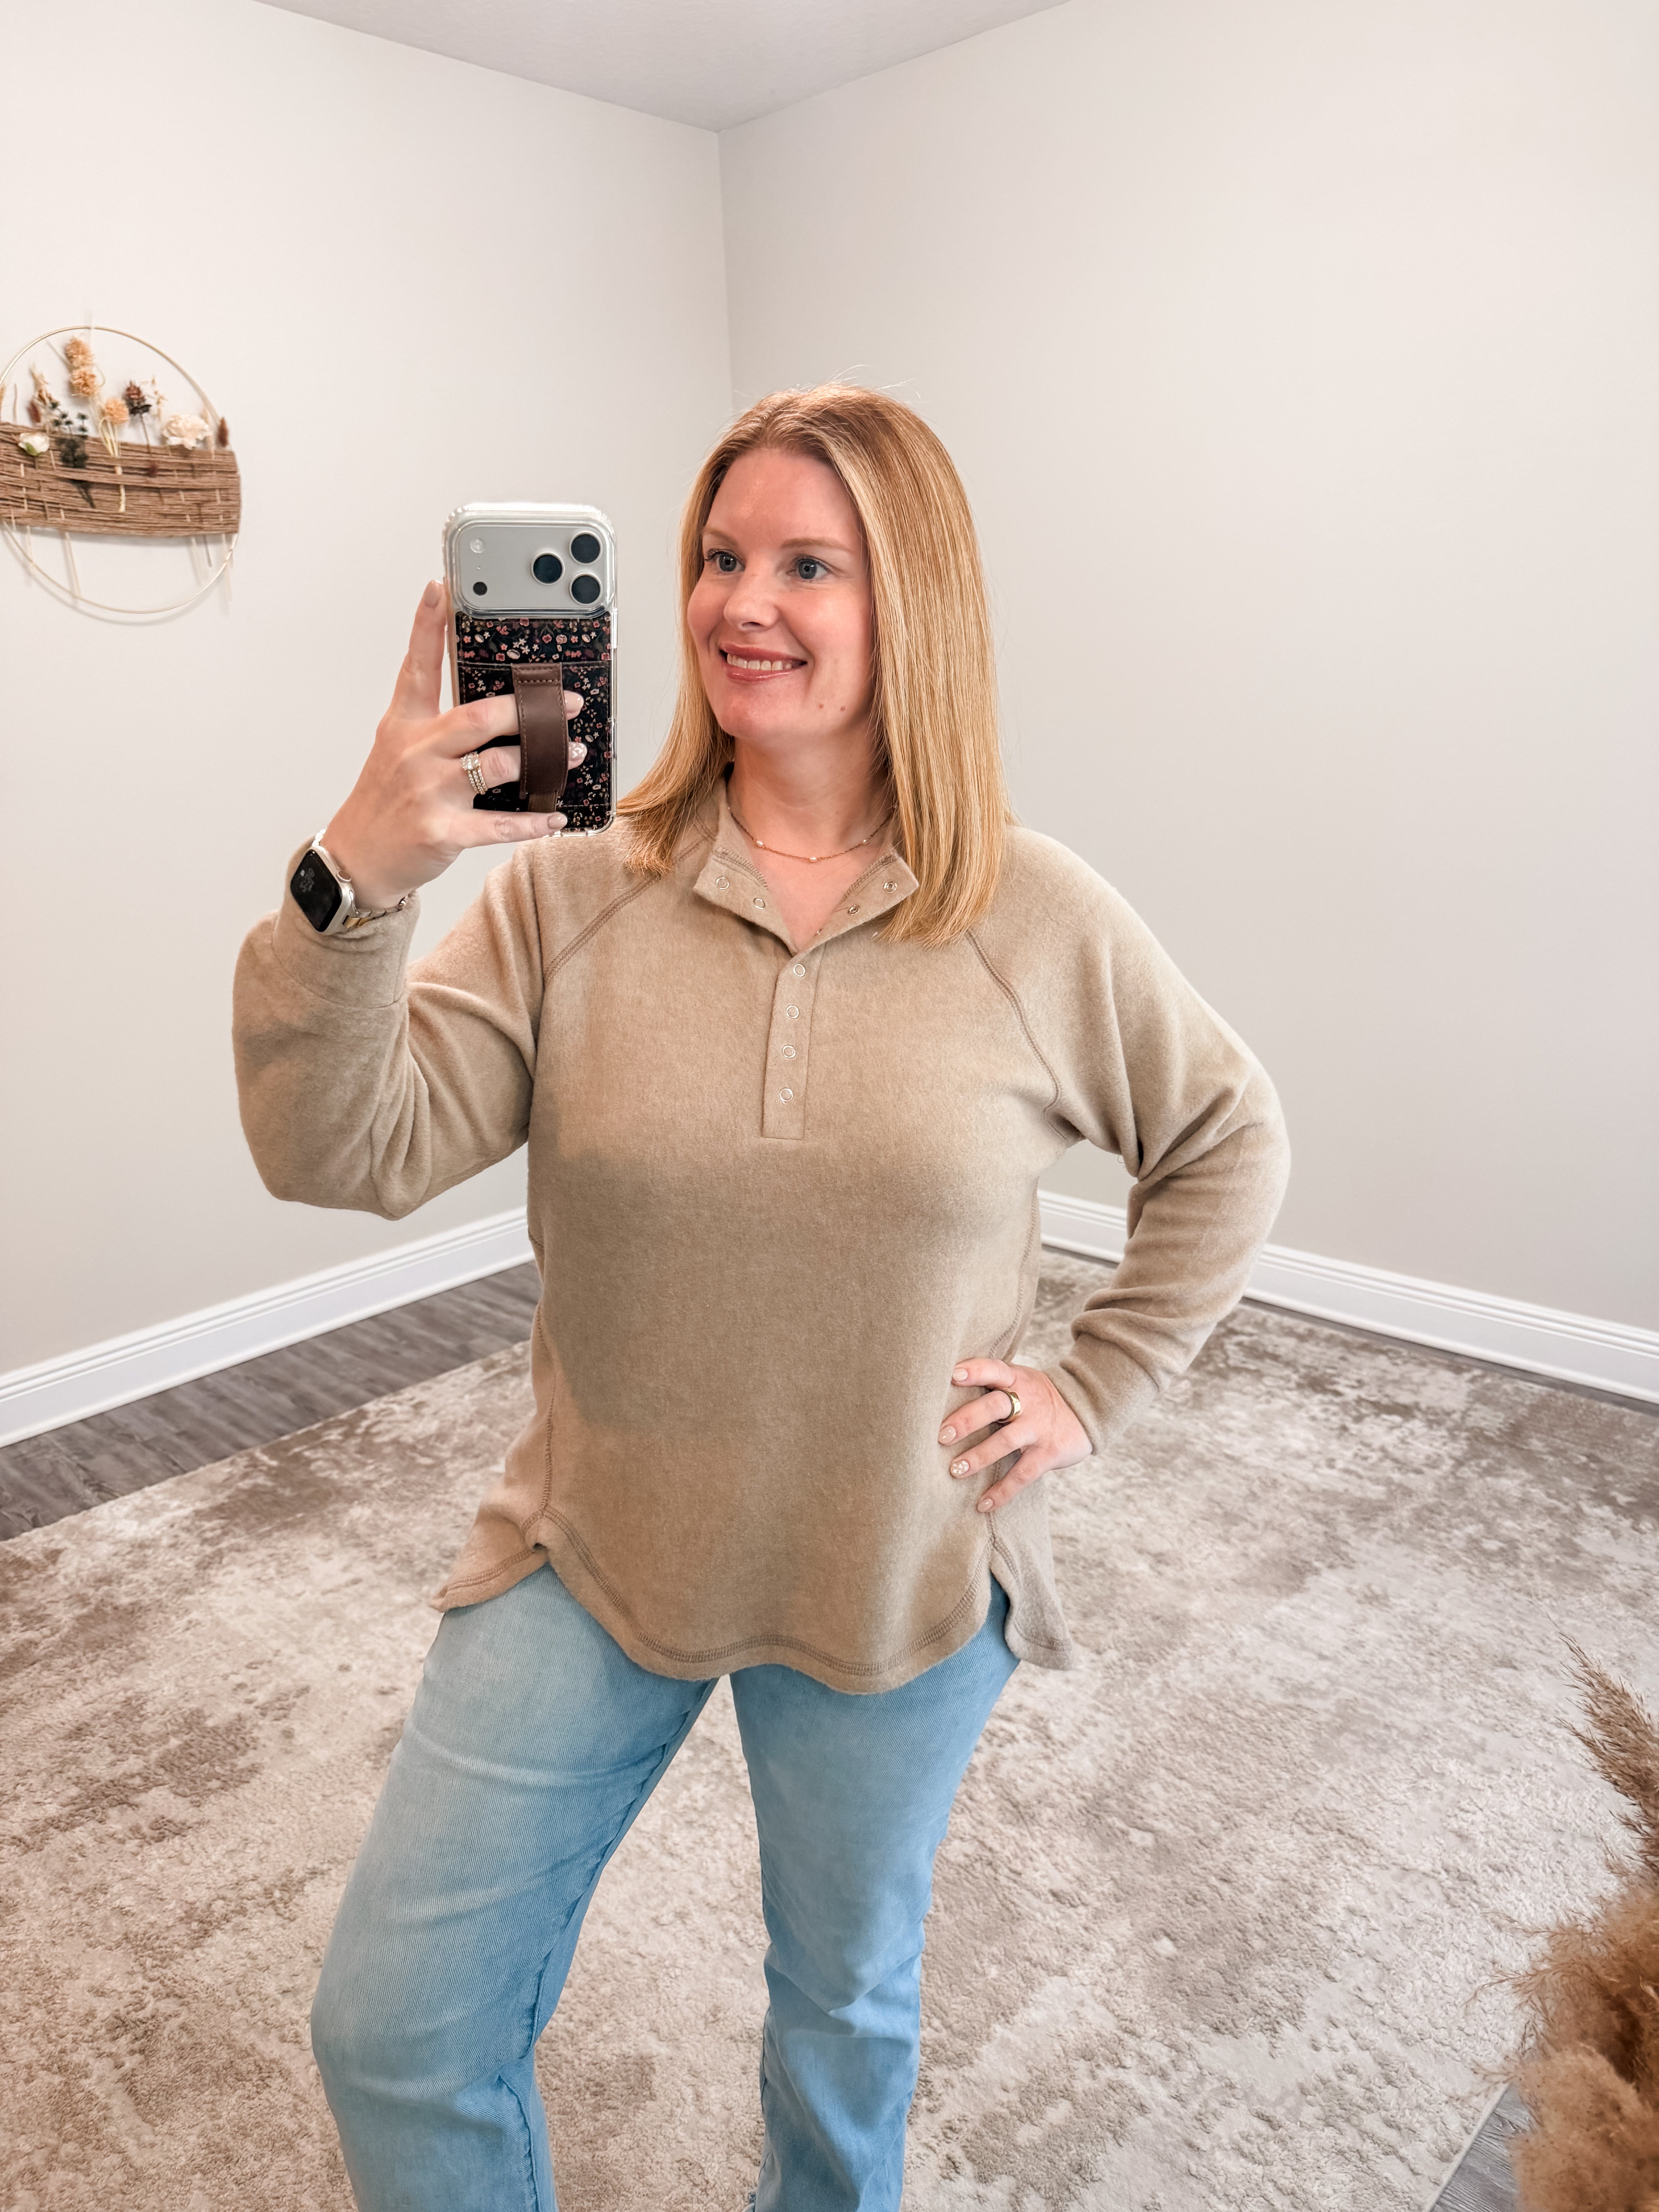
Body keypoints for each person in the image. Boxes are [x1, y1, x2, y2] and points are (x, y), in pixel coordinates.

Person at [232, 383, 1290, 2212]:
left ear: (912, 604)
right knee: (393, 2027)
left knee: (841, 2014)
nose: (743, 602)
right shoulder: (571, 893)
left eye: (811, 564)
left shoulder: (1032, 914)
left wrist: (1092, 1383)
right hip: (597, 1538)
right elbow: (346, 1150)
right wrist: (359, 884)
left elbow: (1227, 1135)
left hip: (892, 1562)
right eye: (721, 557)